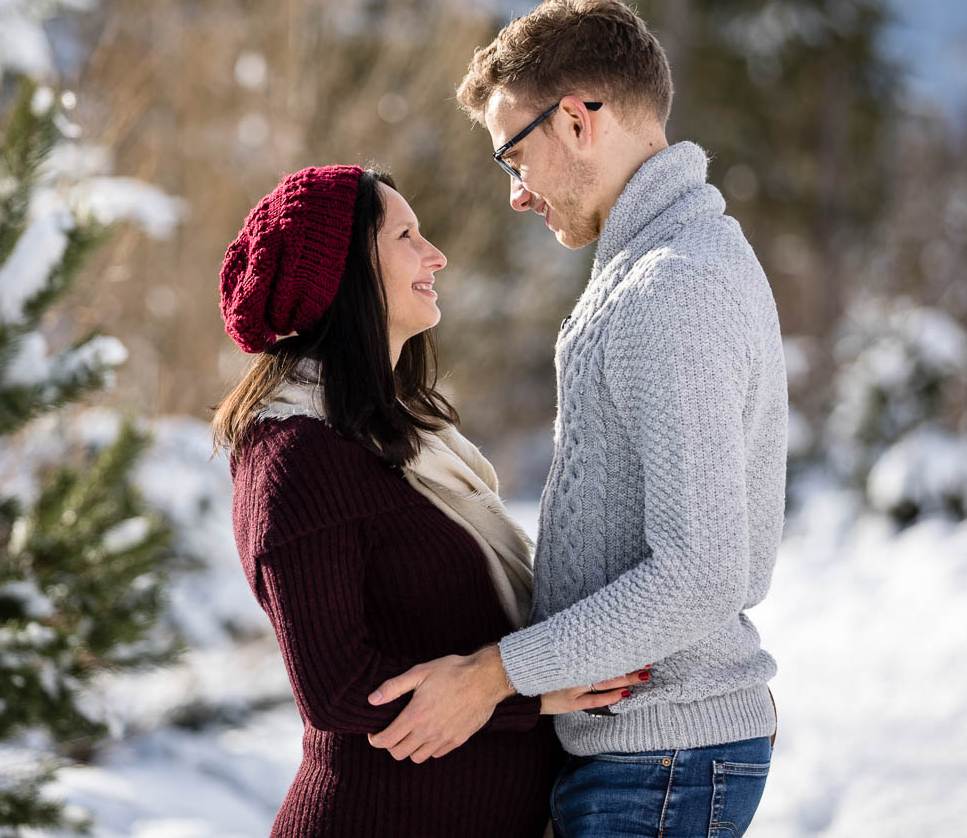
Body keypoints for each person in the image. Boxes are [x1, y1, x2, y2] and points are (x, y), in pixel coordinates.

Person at [364, 0, 787, 837]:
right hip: (642, 753)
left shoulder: (673, 286)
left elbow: (702, 573)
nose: (516, 194)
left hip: (660, 761)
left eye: (513, 158)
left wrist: (493, 673)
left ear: (577, 121)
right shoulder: (663, 264)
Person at [213, 165, 651, 837]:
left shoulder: (398, 441)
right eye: (406, 235)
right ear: (347, 272)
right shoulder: (297, 457)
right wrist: (519, 691)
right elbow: (337, 686)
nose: (435, 254)